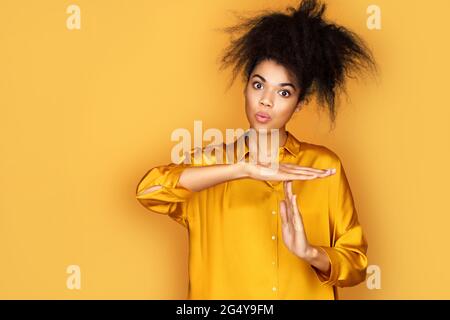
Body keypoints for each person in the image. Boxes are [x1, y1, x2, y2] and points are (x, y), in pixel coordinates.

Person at [136, 0, 378, 300]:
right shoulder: (210, 164)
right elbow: (149, 191)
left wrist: (311, 252)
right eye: (259, 85)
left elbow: (356, 264)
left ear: (299, 103)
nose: (266, 101)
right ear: (246, 88)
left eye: (284, 92)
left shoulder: (324, 166)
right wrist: (242, 169)